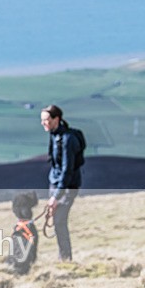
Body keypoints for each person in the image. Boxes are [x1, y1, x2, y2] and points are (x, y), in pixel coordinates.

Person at [40, 104, 82, 261]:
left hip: (66, 187)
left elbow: (67, 170)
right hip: (56, 183)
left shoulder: (67, 140)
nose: (43, 123)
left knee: (59, 221)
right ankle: (63, 257)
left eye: (46, 120)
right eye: (42, 120)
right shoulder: (54, 135)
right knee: (58, 222)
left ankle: (65, 258)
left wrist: (56, 196)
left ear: (56, 119)